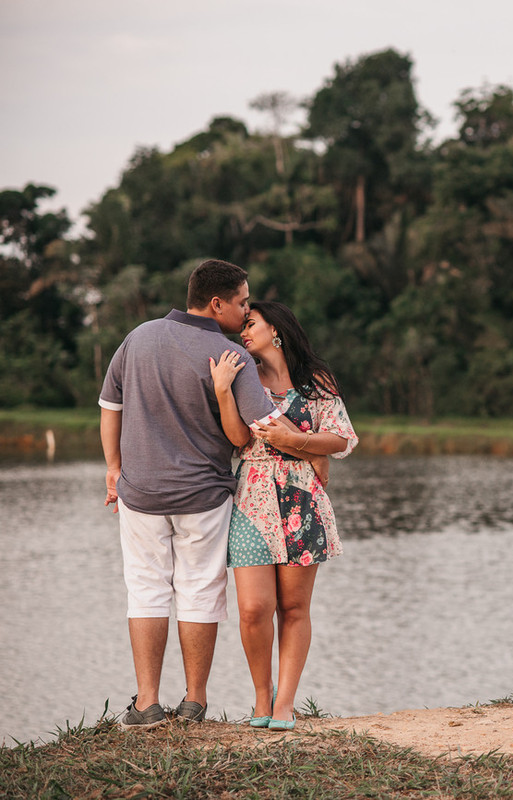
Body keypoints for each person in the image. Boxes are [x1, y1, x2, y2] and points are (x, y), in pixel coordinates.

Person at [99, 259, 285, 730]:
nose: (246, 312)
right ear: (216, 303)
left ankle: (147, 704)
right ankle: (194, 702)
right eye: (242, 302)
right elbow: (262, 425)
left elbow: (109, 406)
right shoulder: (230, 355)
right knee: (200, 591)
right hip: (204, 496)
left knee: (146, 591)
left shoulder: (137, 338)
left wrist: (114, 470)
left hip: (140, 494)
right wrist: (326, 438)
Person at [208, 300, 357, 731]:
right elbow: (238, 438)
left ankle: (285, 704)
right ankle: (262, 695)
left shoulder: (316, 380)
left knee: (293, 607)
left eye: (250, 323)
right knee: (254, 609)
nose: (243, 332)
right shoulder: (244, 375)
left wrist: (299, 444)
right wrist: (223, 391)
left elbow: (342, 439)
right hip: (251, 498)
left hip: (302, 499)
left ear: (276, 329)